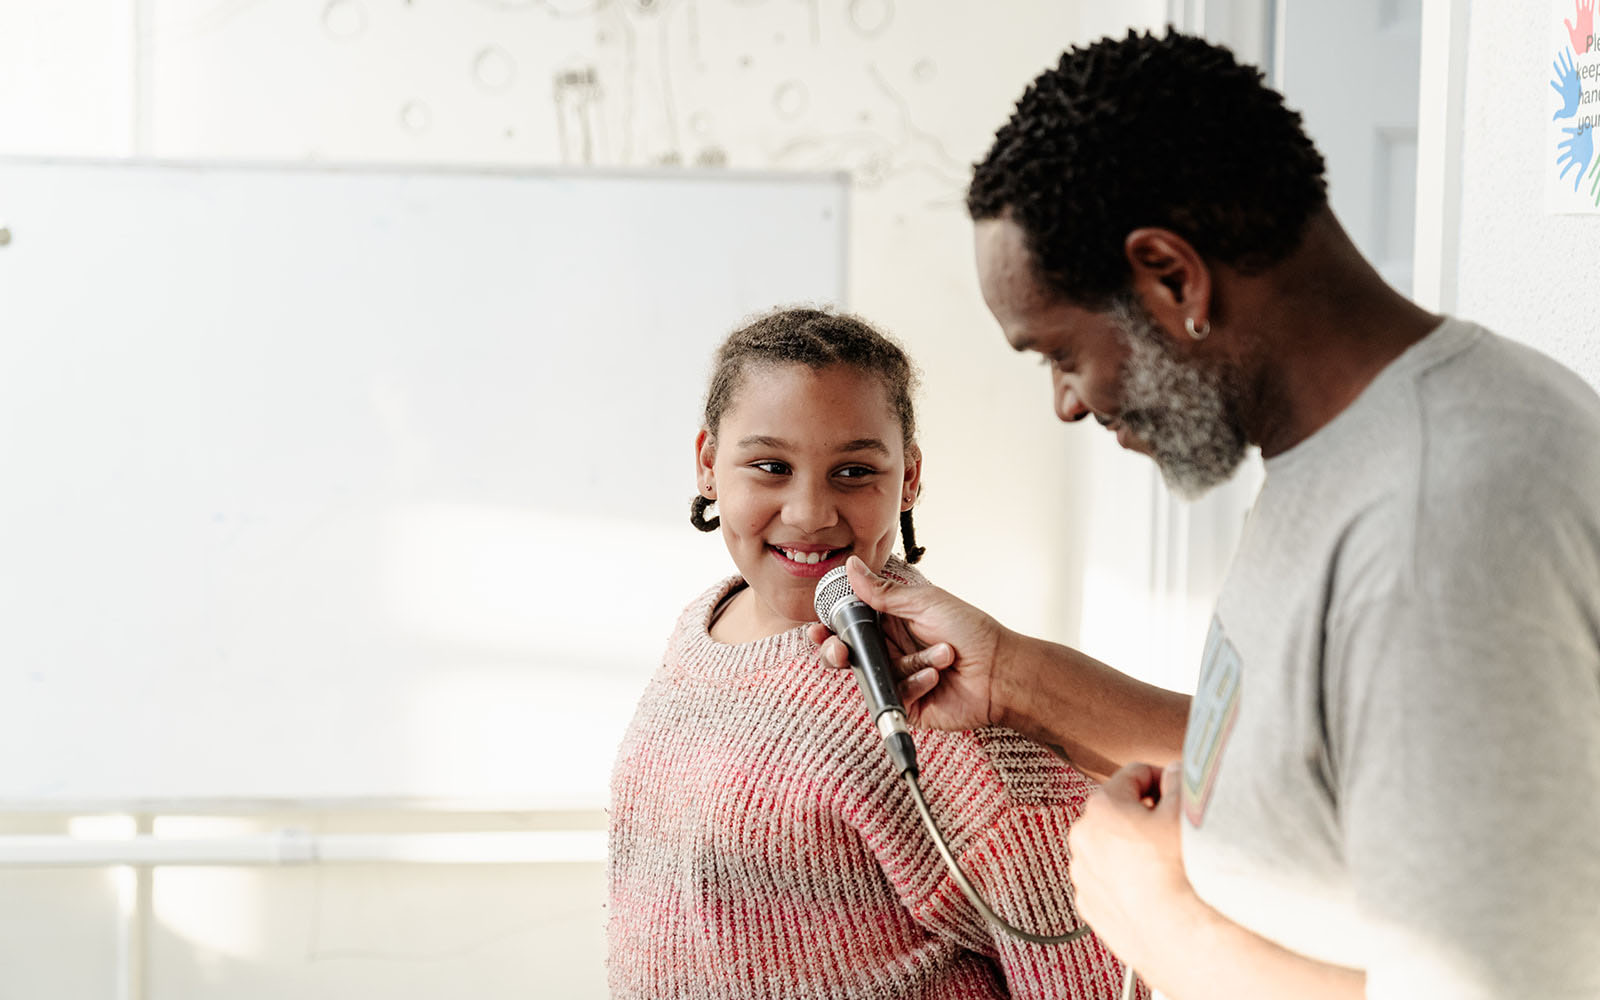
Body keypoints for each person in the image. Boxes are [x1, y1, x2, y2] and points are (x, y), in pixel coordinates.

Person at [809, 29, 1600, 1000]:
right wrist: (1010, 677)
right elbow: (1306, 761)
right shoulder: (1356, 449)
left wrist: (1164, 925)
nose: (1064, 401)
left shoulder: (1441, 523)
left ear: (1172, 277)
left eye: (1060, 353)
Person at [607, 307, 1142, 999]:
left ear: (909, 479)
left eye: (854, 471)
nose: (808, 512)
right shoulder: (701, 626)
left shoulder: (935, 691)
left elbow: (1092, 970)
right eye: (770, 466)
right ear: (709, 464)